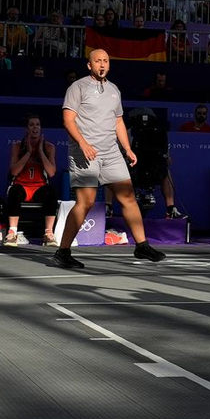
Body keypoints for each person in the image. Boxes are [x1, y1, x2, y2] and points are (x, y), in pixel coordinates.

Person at [56, 49, 166, 269]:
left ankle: (142, 245)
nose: (102, 64)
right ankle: (63, 251)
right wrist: (83, 144)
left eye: (105, 61)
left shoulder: (114, 90)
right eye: (98, 61)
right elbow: (68, 120)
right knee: (85, 202)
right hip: (84, 151)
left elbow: (118, 122)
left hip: (111, 152)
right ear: (89, 65)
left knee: (128, 197)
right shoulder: (77, 87)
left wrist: (127, 148)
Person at [4, 115, 58, 246]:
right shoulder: (18, 146)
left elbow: (51, 172)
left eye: (38, 124)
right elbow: (14, 171)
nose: (35, 127)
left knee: (51, 191)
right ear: (26, 129)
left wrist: (40, 151)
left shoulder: (49, 147)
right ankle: (12, 232)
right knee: (14, 191)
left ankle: (48, 233)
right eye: (31, 125)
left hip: (39, 187)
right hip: (21, 186)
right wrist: (28, 153)